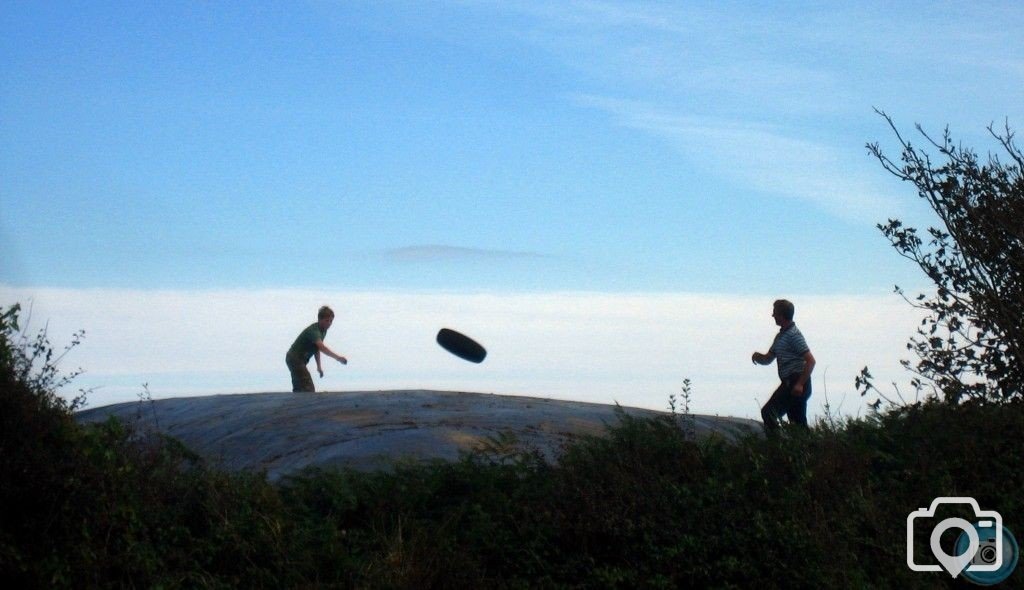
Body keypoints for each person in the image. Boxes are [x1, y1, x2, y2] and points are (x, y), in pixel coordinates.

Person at [752, 299, 816, 433]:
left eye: (775, 313)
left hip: (795, 382)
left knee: (769, 413)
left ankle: (778, 446)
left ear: (782, 315)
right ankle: (804, 450)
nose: (773, 316)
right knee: (797, 425)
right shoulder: (781, 336)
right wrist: (758, 357)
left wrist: (799, 384)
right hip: (789, 382)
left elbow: (811, 361)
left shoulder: (794, 335)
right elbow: (769, 358)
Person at [286, 306, 347, 393]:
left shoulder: (323, 331)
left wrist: (319, 366)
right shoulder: (314, 331)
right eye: (327, 321)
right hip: (294, 358)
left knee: (299, 387)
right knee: (308, 387)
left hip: (299, 360)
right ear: (319, 319)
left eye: (331, 321)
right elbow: (322, 348)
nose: (329, 323)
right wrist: (338, 358)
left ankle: (295, 404)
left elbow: (317, 349)